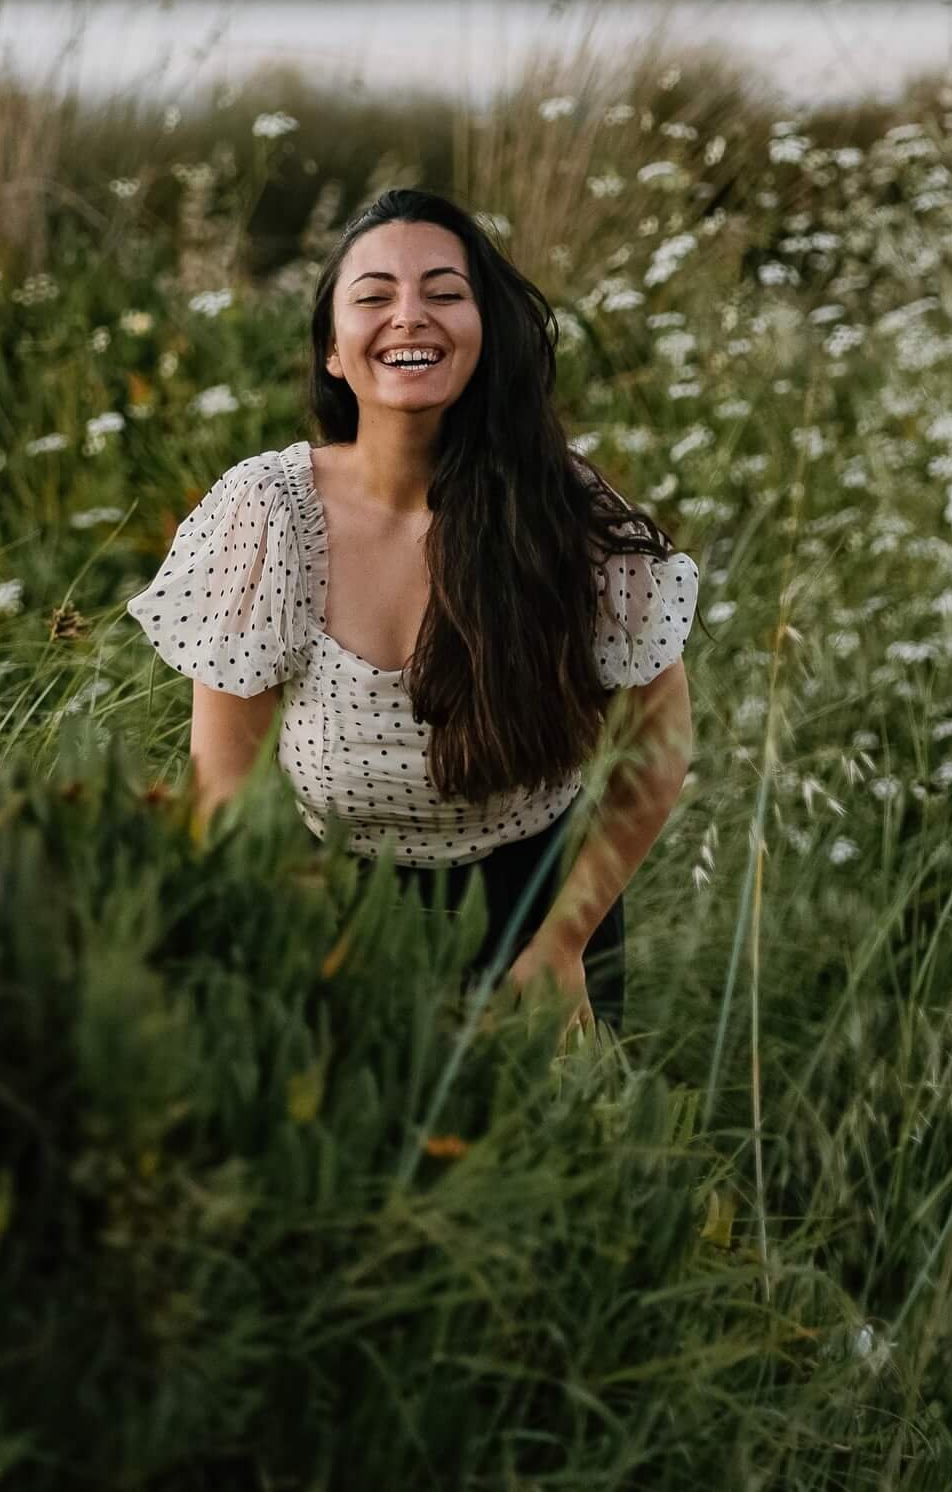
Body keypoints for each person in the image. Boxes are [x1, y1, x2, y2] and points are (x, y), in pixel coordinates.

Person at [126, 186, 699, 1042]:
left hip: (539, 909)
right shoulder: (269, 511)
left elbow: (657, 753)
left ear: (483, 329)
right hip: (333, 905)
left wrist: (561, 944)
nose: (409, 317)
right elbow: (224, 789)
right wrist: (306, 945)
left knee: (545, 1167)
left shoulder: (565, 510)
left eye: (444, 291)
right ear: (332, 349)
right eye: (374, 297)